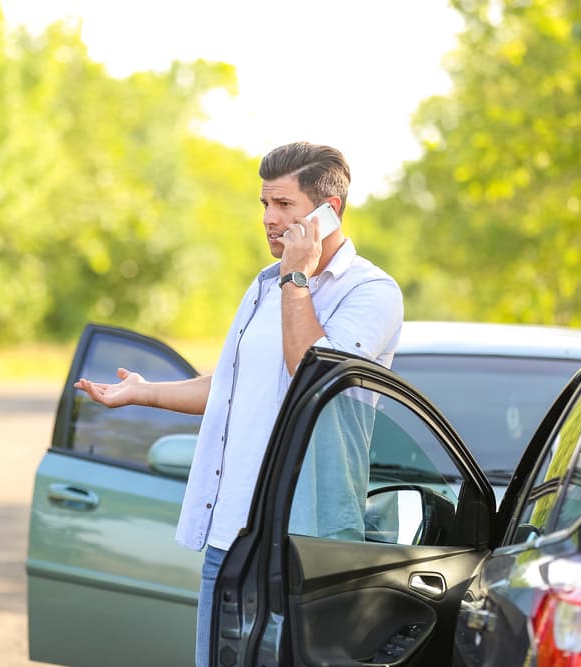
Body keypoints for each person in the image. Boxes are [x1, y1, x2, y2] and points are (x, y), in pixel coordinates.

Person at [74, 141, 403, 666]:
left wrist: (298, 277)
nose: (270, 220)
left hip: (304, 544)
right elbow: (230, 387)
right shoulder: (264, 286)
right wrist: (143, 392)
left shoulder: (370, 292)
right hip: (231, 540)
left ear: (328, 210)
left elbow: (310, 373)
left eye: (285, 206)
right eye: (264, 205)